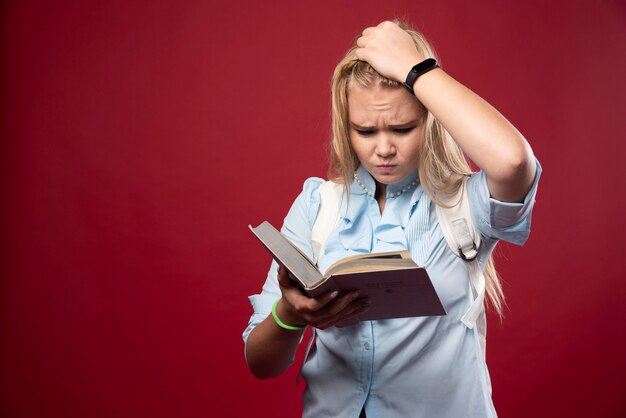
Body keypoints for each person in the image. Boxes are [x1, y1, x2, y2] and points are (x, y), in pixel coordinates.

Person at [243, 20, 541, 418]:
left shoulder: (464, 204)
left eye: (402, 128)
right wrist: (291, 315)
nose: (383, 149)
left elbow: (513, 160)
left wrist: (416, 70)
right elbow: (261, 364)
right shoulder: (317, 205)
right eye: (364, 131)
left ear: (431, 117)